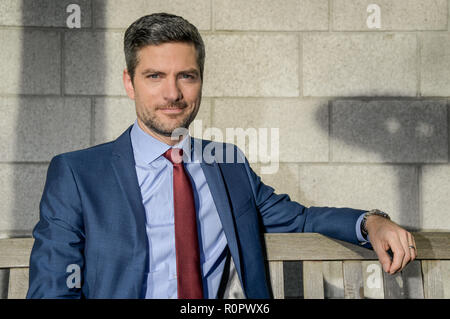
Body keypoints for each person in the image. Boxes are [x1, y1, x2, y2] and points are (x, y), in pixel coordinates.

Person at [27, 13, 417, 299]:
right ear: (129, 83)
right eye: (154, 76)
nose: (172, 94)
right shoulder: (78, 173)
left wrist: (372, 223)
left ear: (200, 81)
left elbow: (300, 219)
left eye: (186, 75)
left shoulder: (226, 164)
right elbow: (52, 288)